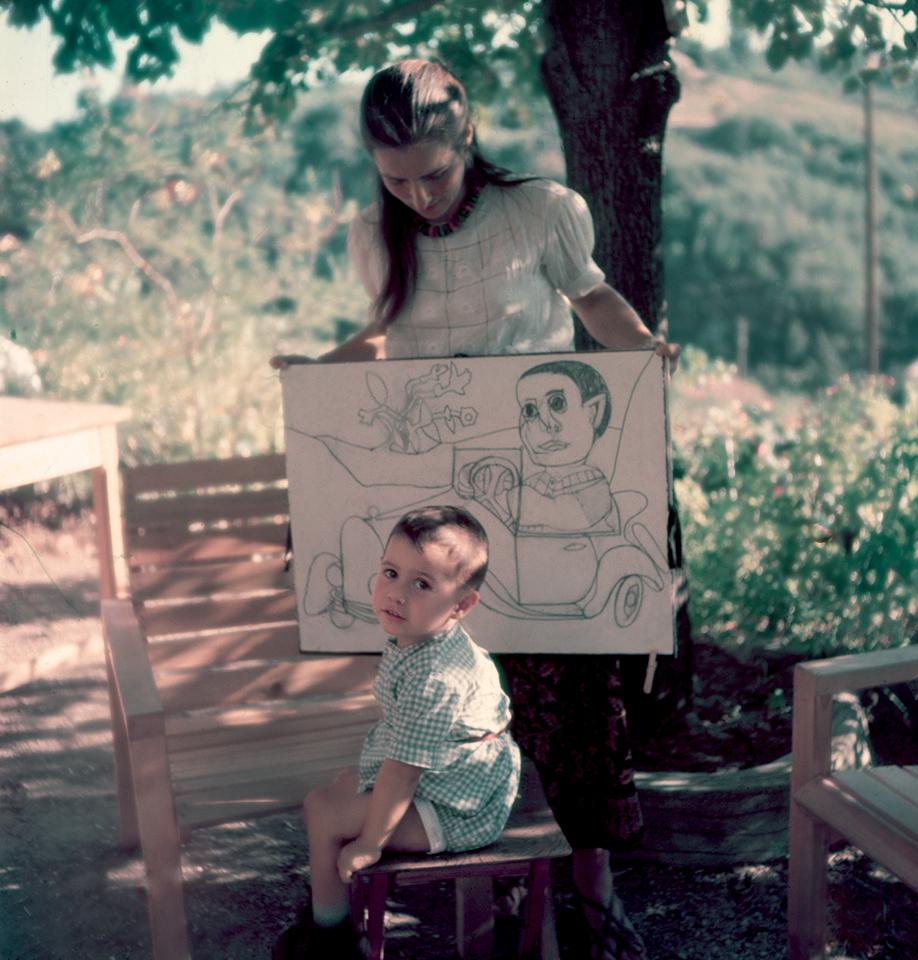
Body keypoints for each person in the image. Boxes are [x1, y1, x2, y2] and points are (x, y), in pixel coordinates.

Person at [272, 58, 682, 959]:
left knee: (576, 695)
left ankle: (593, 893)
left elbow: (591, 297)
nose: (418, 195)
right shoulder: (376, 235)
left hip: (540, 473)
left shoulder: (541, 210)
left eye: (433, 172)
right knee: (456, 693)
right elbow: (384, 339)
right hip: (441, 506)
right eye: (396, 179)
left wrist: (645, 351)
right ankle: (484, 893)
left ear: (467, 136)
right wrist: (314, 379)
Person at [273, 505, 521, 958]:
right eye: (390, 573)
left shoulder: (436, 677)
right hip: (448, 776)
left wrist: (370, 844)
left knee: (322, 811)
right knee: (341, 787)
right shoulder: (423, 640)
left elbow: (403, 772)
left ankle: (329, 938)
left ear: (462, 605)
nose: (397, 593)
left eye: (421, 584)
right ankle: (331, 904)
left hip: (459, 809)